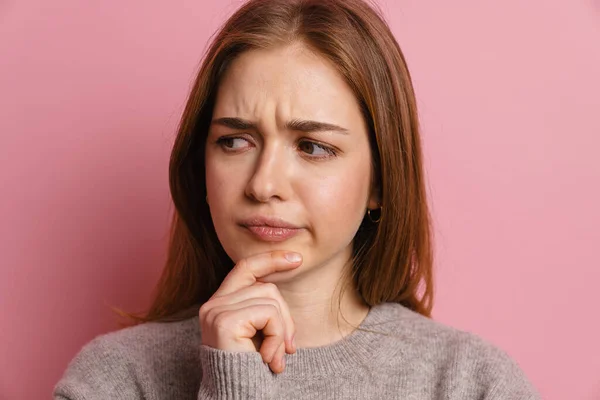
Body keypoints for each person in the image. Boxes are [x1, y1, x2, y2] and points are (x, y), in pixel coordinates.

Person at [54, 0, 541, 398]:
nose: (263, 184)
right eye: (235, 141)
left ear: (381, 182)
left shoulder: (472, 383)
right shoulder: (116, 380)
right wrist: (231, 380)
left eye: (313, 147)